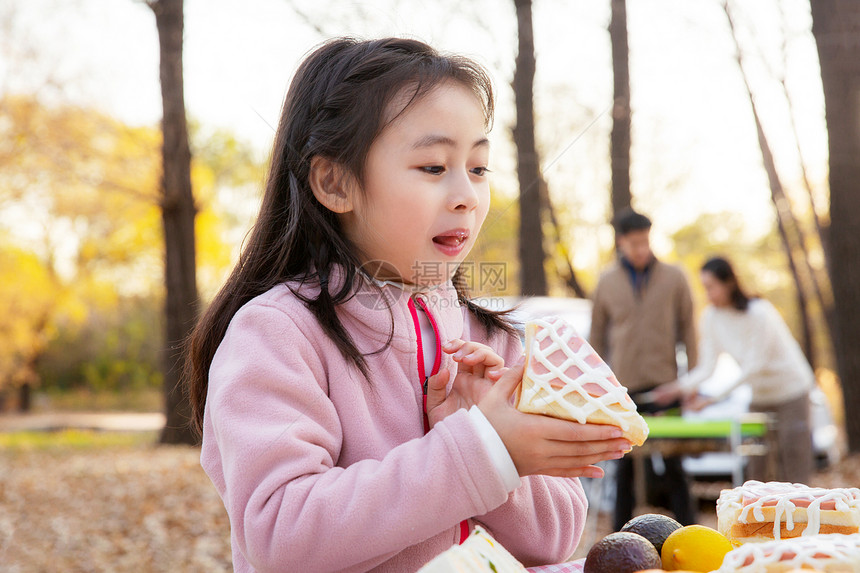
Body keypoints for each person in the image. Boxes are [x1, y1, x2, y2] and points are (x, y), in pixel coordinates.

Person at [184, 38, 630, 572]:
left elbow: (553, 540)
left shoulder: (492, 342)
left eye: (479, 168)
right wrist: (479, 450)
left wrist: (496, 447)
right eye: (433, 167)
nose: (467, 194)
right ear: (335, 182)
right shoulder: (278, 334)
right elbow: (282, 536)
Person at [652, 256, 815, 483]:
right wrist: (677, 388)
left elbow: (753, 365)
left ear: (728, 282)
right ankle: (758, 518)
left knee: (794, 460)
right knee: (758, 466)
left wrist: (711, 400)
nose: (707, 294)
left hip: (791, 391)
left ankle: (799, 516)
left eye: (711, 287)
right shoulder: (710, 317)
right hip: (760, 396)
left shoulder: (760, 312)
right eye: (704, 288)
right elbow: (707, 367)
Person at [590, 207, 698, 531]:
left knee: (674, 462)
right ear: (621, 242)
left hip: (667, 387)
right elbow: (596, 339)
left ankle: (689, 531)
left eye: (644, 242)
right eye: (633, 243)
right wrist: (597, 387)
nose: (640, 249)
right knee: (623, 468)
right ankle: (619, 537)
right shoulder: (606, 282)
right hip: (623, 389)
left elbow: (689, 331)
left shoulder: (675, 277)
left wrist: (690, 383)